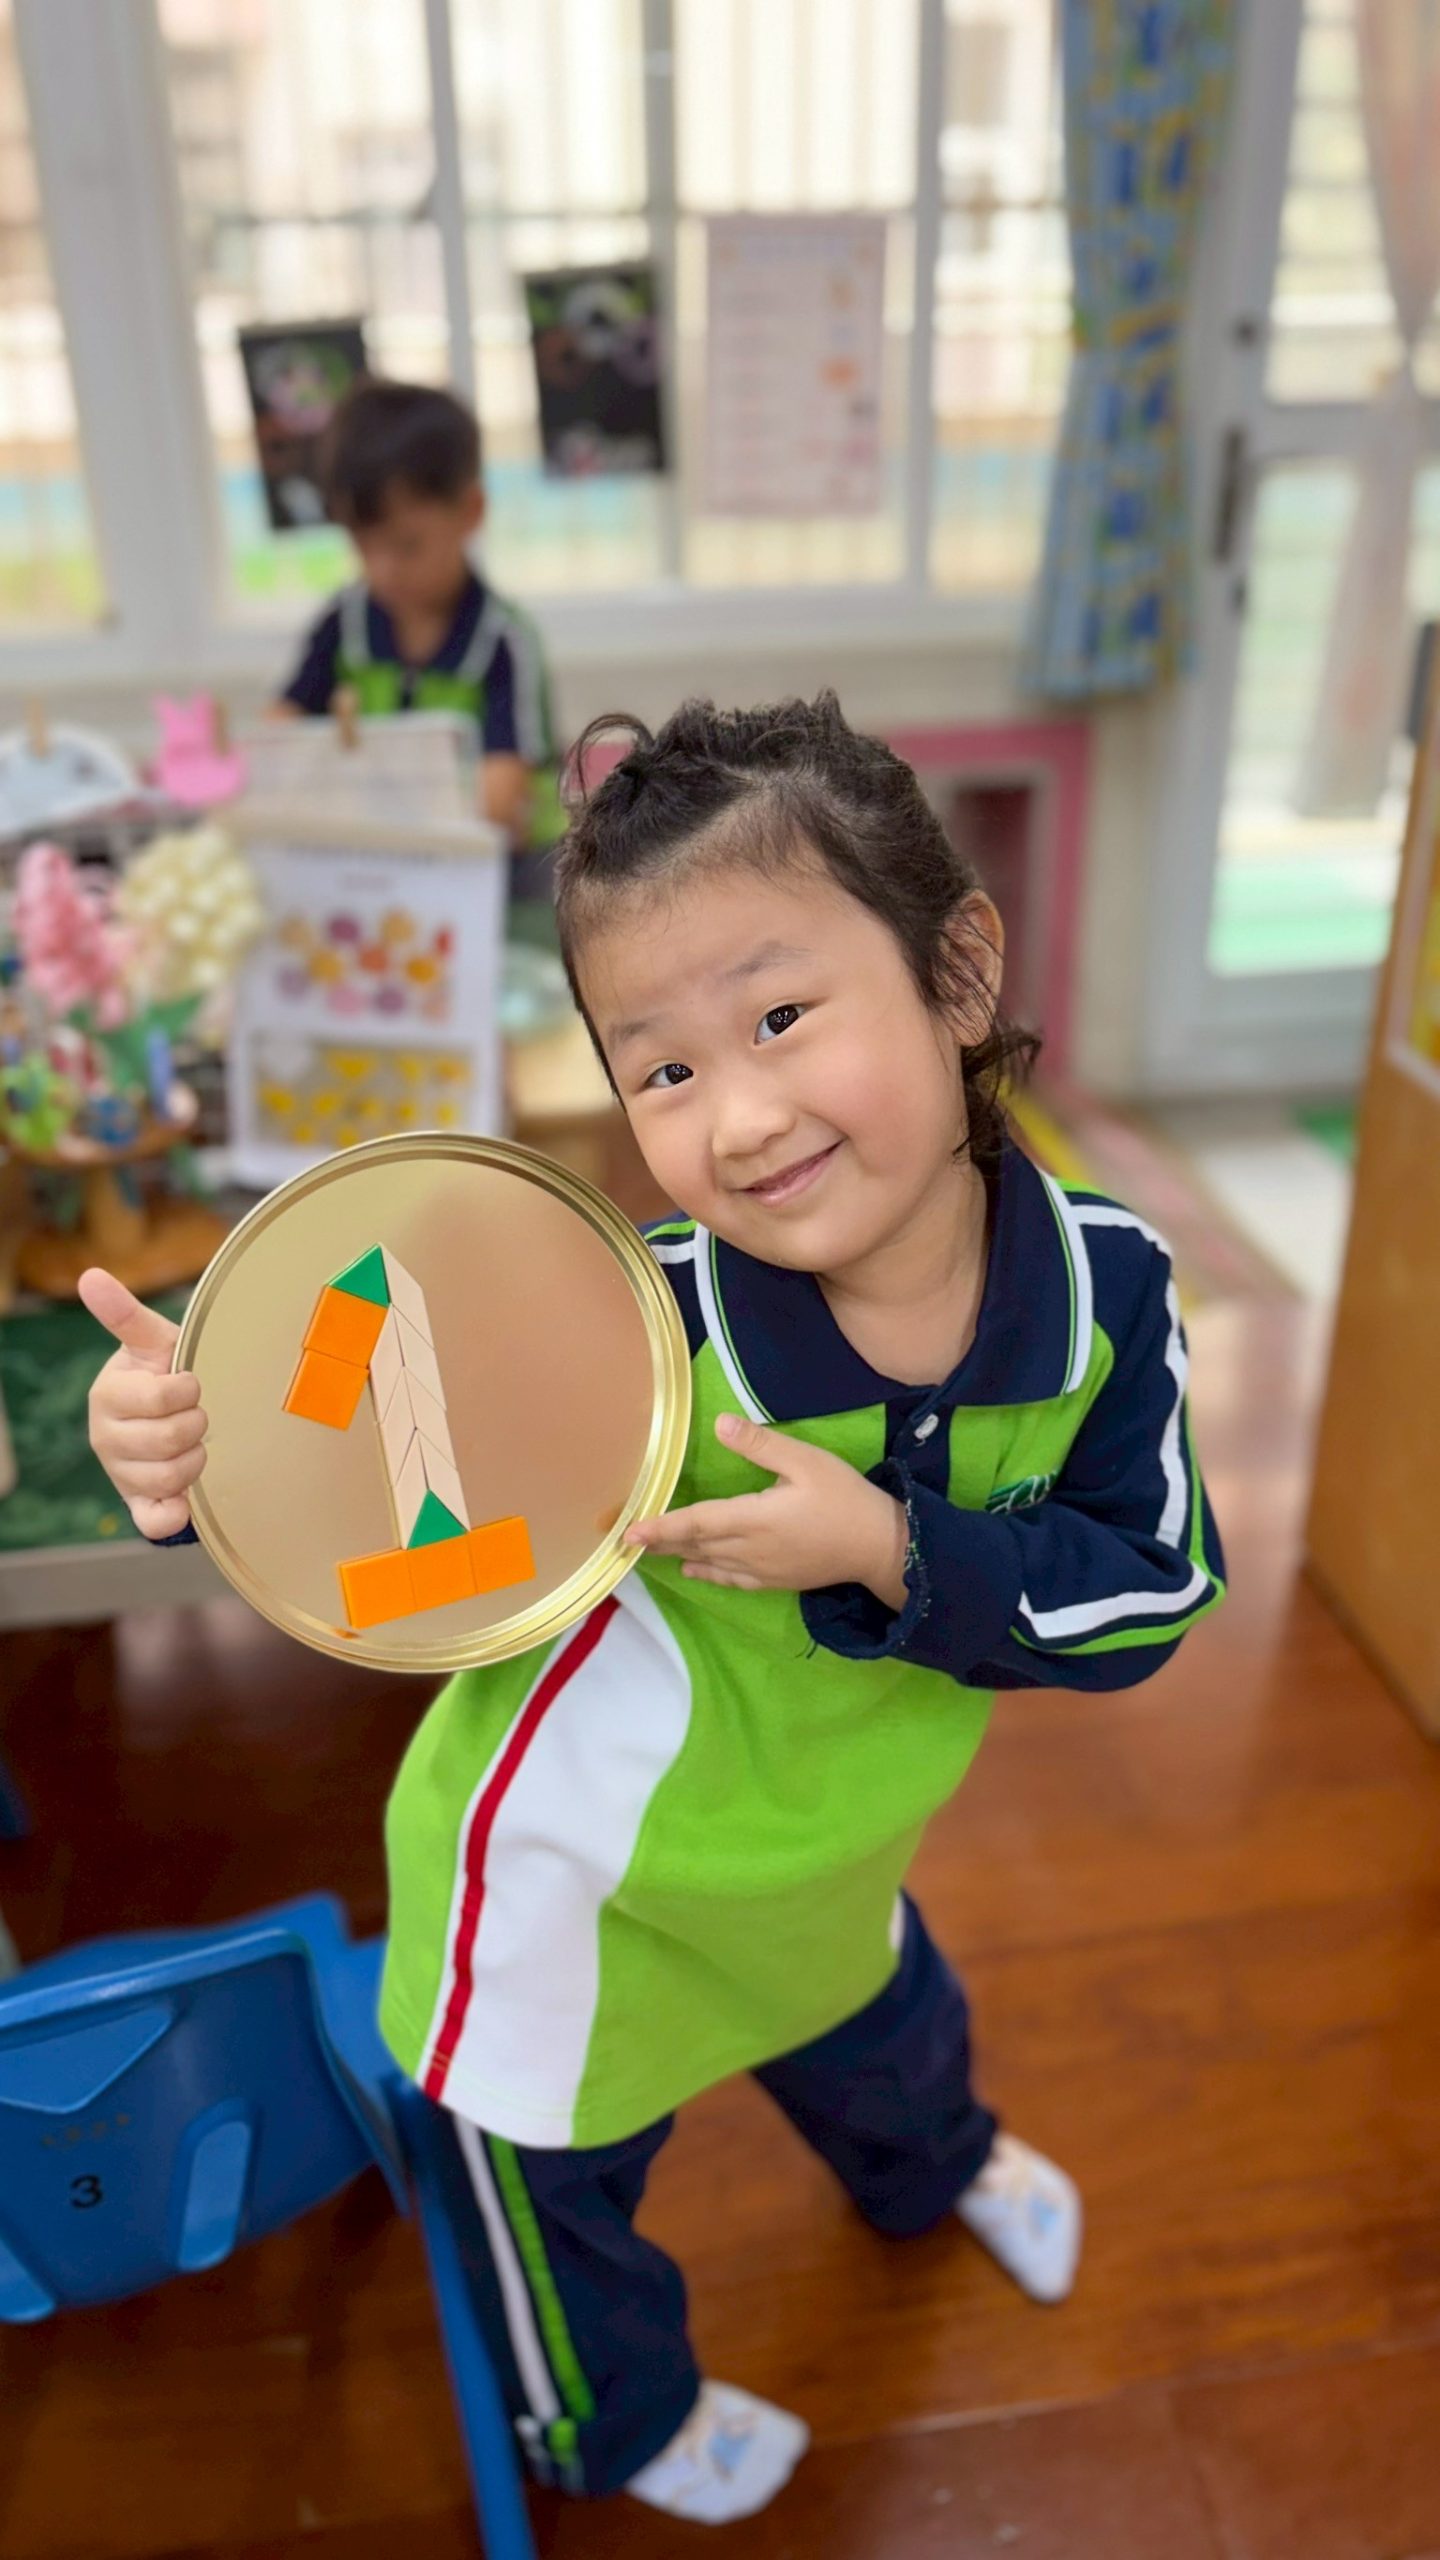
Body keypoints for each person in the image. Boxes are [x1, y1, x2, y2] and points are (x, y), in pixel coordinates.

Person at [84, 693, 1225, 2527]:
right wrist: (182, 1451)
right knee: (544, 2184)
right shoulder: (627, 1327)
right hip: (576, 1882)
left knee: (890, 2031)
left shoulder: (1111, 1292)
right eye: (664, 1071)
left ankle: (936, 2169)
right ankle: (613, 2420)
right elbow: (369, 1451)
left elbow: (1152, 1591)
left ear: (957, 970)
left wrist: (894, 1547)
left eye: (778, 1019)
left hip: (827, 1837)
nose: (741, 1117)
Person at [277, 375, 564, 867]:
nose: (383, 570)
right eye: (362, 544)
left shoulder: (503, 642)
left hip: (499, 865)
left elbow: (499, 802)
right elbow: (281, 733)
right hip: (381, 856)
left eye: (407, 545)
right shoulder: (343, 624)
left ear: (470, 512)